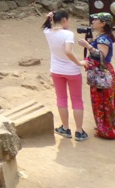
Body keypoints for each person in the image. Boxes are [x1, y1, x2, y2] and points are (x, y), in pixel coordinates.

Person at [43, 10, 89, 141]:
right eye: (68, 20)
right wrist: (79, 63)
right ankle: (79, 131)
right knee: (77, 100)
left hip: (56, 70)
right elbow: (68, 51)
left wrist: (48, 18)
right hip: (72, 71)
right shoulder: (68, 34)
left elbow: (46, 26)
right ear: (64, 20)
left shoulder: (47, 32)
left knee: (61, 98)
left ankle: (65, 127)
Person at [77, 12, 115, 139]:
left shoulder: (104, 39)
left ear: (103, 24)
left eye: (95, 20)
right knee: (105, 100)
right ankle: (105, 126)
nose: (93, 21)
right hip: (102, 72)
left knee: (102, 101)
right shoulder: (103, 36)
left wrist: (88, 46)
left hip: (101, 73)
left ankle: (106, 130)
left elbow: (101, 56)